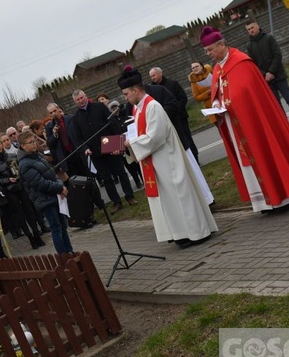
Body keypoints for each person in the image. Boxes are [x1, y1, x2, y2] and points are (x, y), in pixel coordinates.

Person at [201, 26, 289, 211]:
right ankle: (263, 200)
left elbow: (248, 94)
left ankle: (288, 195)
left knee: (268, 147)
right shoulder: (216, 70)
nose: (208, 54)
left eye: (210, 50)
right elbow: (217, 93)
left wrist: (231, 103)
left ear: (221, 44)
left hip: (254, 122)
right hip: (235, 124)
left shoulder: (241, 62)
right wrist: (216, 105)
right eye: (206, 51)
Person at [119, 68, 218, 247]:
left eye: (126, 93)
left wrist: (130, 143)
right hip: (156, 161)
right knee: (170, 200)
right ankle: (181, 233)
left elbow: (156, 136)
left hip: (168, 159)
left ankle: (198, 232)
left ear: (135, 90)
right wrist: (128, 143)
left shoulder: (153, 106)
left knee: (181, 196)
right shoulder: (137, 109)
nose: (125, 98)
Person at [70, 89, 136, 212]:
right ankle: (116, 202)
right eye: (77, 100)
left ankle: (130, 197)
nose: (80, 101)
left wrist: (119, 144)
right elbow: (78, 137)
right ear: (75, 102)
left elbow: (113, 124)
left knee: (121, 172)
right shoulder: (76, 118)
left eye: (81, 98)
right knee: (106, 178)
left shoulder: (99, 107)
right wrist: (85, 149)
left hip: (111, 146)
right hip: (95, 152)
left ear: (86, 96)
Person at [17, 130, 73, 254]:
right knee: (56, 228)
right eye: (30, 142)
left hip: (56, 196)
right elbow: (39, 183)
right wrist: (59, 188)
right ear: (23, 146)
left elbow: (53, 174)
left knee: (63, 226)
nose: (34, 144)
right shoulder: (25, 164)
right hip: (45, 200)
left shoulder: (38, 156)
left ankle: (70, 251)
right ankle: (64, 257)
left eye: (34, 141)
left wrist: (61, 186)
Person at [245, 18, 289, 129]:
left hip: (279, 75)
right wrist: (265, 74)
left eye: (252, 27)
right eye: (248, 29)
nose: (251, 30)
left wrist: (271, 71)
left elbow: (277, 55)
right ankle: (286, 127)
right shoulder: (249, 46)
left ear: (257, 26)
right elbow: (253, 64)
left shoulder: (269, 38)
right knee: (277, 105)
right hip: (266, 80)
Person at [0, 137, 45, 250]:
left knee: (30, 211)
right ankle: (30, 237)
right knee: (20, 215)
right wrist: (7, 180)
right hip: (9, 190)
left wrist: (19, 178)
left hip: (20, 187)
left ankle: (36, 234)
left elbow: (20, 169)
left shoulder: (12, 156)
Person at [149, 67, 198, 161]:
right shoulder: (153, 90)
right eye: (151, 76)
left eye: (154, 75)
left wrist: (176, 110)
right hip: (166, 120)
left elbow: (183, 98)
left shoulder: (172, 84)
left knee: (187, 138)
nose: (153, 78)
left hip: (180, 117)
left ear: (160, 73)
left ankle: (195, 158)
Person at [188, 61, 217, 126]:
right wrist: (207, 93)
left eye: (197, 66)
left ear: (202, 66)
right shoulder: (194, 82)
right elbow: (196, 97)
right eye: (193, 68)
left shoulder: (210, 72)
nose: (195, 68)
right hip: (211, 107)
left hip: (222, 101)